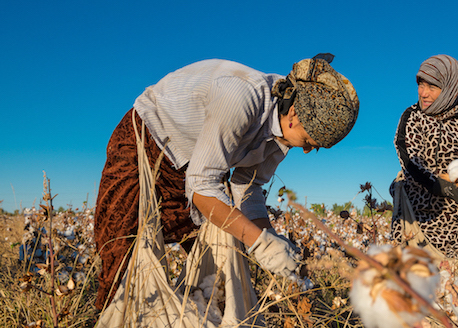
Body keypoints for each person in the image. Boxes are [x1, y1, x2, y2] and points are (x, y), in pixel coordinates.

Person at [94, 55, 359, 310]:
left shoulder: (280, 140)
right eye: (311, 142)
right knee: (121, 250)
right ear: (295, 116)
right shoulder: (241, 97)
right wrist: (259, 242)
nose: (308, 150)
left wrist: (271, 240)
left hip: (197, 165)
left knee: (215, 268)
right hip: (146, 142)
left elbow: (248, 188)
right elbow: (201, 186)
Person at [390, 54, 458, 271]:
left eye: (432, 86)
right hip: (418, 220)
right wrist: (453, 191)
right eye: (420, 84)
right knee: (415, 292)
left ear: (451, 87)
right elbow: (412, 164)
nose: (423, 93)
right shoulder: (412, 116)